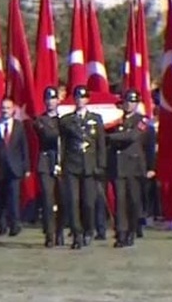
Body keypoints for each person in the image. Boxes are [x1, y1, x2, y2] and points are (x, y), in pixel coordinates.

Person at [59, 85, 106, 249]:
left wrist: (101, 165)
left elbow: (100, 144)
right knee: (72, 201)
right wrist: (60, 164)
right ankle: (76, 234)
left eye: (83, 97)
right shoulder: (66, 120)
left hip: (89, 167)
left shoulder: (96, 119)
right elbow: (63, 145)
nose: (80, 100)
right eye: (77, 97)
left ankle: (88, 229)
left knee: (88, 203)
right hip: (72, 165)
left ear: (87, 100)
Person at [106, 89, 154, 247]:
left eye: (132, 102)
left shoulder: (143, 121)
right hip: (118, 166)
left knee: (133, 201)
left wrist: (110, 137)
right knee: (119, 201)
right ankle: (121, 233)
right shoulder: (116, 120)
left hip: (134, 166)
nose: (129, 105)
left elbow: (133, 137)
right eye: (127, 101)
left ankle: (132, 230)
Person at [0, 97, 29, 237]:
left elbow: (24, 147)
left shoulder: (19, 126)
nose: (5, 111)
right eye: (3, 108)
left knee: (14, 197)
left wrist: (26, 167)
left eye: (8, 108)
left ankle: (15, 225)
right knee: (0, 198)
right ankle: (2, 225)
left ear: (13, 109)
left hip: (15, 167)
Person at [33, 87, 64, 248]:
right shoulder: (40, 120)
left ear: (58, 100)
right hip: (46, 163)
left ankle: (60, 232)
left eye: (53, 99)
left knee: (62, 199)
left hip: (62, 162)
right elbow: (48, 136)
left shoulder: (64, 119)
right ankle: (50, 234)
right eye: (48, 99)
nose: (50, 102)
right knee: (48, 199)